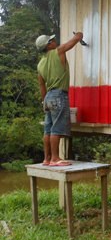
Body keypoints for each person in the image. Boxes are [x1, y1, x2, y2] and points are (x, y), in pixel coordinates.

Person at [36, 32, 83, 166]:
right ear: (49, 45)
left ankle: (47, 158)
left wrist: (44, 101)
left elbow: (41, 85)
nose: (54, 41)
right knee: (56, 128)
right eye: (51, 40)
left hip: (48, 96)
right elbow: (72, 42)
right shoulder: (58, 51)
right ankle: (56, 159)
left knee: (48, 129)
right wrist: (78, 36)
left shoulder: (40, 64)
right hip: (59, 95)